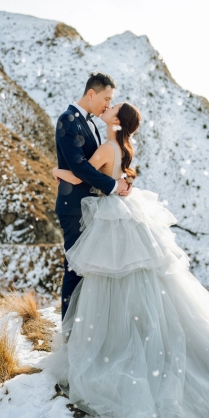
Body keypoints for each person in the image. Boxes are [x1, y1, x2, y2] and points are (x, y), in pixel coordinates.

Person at [45, 100, 209, 418]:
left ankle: (114, 344)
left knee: (112, 279)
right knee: (132, 281)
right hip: (122, 212)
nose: (108, 107)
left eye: (113, 107)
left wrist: (56, 172)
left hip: (111, 217)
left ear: (118, 122)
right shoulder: (120, 146)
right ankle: (132, 337)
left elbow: (79, 175)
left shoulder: (109, 145)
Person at [55, 72, 131, 320]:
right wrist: (112, 185)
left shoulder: (92, 124)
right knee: (75, 269)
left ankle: (86, 326)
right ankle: (69, 331)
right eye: (106, 98)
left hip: (91, 208)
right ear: (91, 94)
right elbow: (79, 167)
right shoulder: (67, 120)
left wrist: (59, 172)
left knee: (89, 269)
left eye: (111, 101)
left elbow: (85, 168)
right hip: (74, 208)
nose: (108, 104)